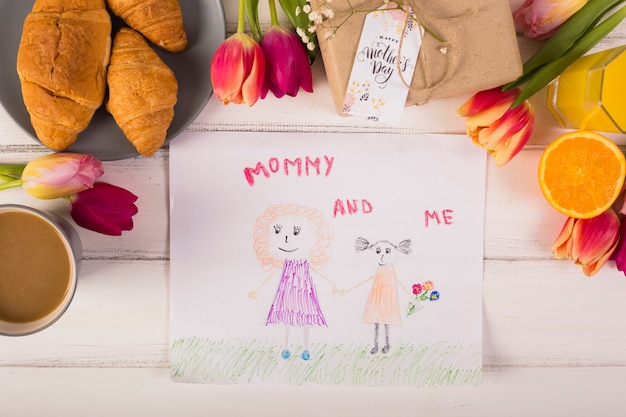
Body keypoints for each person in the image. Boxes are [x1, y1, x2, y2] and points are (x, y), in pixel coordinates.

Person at [248, 203, 336, 361]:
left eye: (296, 232)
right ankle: (287, 346)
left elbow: (316, 272)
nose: (286, 238)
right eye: (278, 231)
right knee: (287, 317)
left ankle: (306, 347)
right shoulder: (287, 263)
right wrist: (258, 289)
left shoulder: (305, 263)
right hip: (287, 292)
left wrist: (333, 284)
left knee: (304, 316)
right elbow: (272, 274)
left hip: (304, 291)